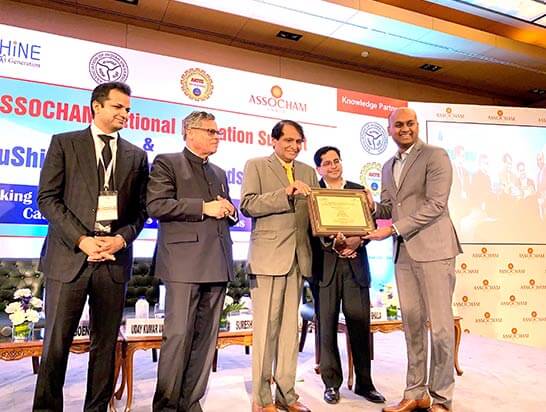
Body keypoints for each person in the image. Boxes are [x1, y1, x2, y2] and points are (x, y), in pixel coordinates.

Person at [33, 81, 149, 411]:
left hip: (113, 260)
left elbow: (141, 210)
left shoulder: (137, 156)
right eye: (118, 107)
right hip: (69, 258)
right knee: (56, 345)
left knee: (105, 346)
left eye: (128, 109)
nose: (125, 113)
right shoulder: (64, 143)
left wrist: (121, 238)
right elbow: (48, 199)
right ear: (97, 106)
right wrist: (82, 239)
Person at [364, 107, 462, 412]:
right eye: (398, 125)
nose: (404, 129)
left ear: (417, 125)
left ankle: (442, 398)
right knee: (412, 325)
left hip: (435, 250)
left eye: (410, 123)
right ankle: (415, 392)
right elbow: (390, 207)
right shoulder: (387, 165)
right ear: (389, 129)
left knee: (441, 329)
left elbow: (436, 205)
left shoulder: (435, 155)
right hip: (404, 252)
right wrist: (370, 206)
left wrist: (393, 229)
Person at [147, 111, 237, 411]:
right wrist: (203, 207)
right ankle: (166, 405)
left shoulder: (219, 172)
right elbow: (157, 205)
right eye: (210, 131)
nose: (216, 136)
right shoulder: (167, 162)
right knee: (179, 336)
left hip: (218, 262)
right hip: (183, 264)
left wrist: (230, 211)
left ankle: (191, 402)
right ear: (189, 131)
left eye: (217, 131)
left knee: (206, 340)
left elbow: (224, 210)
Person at [240, 120, 318, 412]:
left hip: (299, 258)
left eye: (298, 142)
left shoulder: (308, 171)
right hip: (268, 258)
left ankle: (287, 395)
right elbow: (248, 205)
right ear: (273, 141)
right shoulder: (256, 165)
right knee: (265, 332)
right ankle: (262, 399)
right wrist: (286, 192)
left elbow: (316, 213)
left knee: (289, 333)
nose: (294, 146)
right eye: (288, 140)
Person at [312, 146, 385, 406]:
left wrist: (357, 241)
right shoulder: (314, 194)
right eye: (327, 163)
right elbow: (310, 230)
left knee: (360, 325)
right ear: (319, 169)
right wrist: (334, 242)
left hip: (356, 266)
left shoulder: (358, 191)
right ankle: (331, 384)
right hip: (326, 268)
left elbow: (371, 226)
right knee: (327, 327)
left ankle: (365, 383)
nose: (333, 166)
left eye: (337, 161)